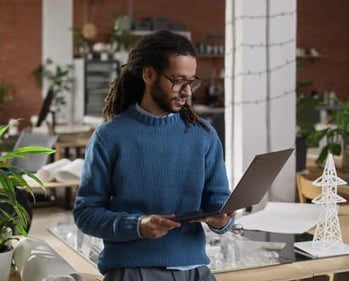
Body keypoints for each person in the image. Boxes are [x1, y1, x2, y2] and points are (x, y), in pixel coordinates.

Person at [73, 29, 235, 281]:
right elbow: (85, 214)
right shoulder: (110, 136)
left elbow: (218, 202)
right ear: (149, 75)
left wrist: (221, 219)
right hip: (131, 272)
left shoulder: (204, 134)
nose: (187, 91)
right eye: (178, 80)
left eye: (192, 81)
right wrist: (138, 226)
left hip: (194, 271)